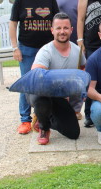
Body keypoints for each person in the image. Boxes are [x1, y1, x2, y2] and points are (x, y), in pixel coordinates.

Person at [10, 0, 59, 135]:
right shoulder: (20, 0)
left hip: (47, 50)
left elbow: (57, 23)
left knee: (48, 84)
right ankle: (25, 120)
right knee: (27, 84)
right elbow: (13, 24)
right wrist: (15, 47)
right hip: (27, 48)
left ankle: (44, 119)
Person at [27, 13, 86, 145]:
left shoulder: (77, 51)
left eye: (65, 28)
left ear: (71, 30)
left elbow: (83, 71)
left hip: (60, 97)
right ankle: (44, 127)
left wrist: (79, 92)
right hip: (40, 92)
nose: (62, 32)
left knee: (73, 133)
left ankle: (43, 117)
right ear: (52, 30)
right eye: (58, 28)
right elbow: (37, 76)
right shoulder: (45, 51)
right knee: (42, 100)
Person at [49, 0, 89, 120]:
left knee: (77, 76)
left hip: (79, 40)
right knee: (59, 76)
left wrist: (82, 40)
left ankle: (76, 109)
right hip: (60, 39)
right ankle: (57, 110)